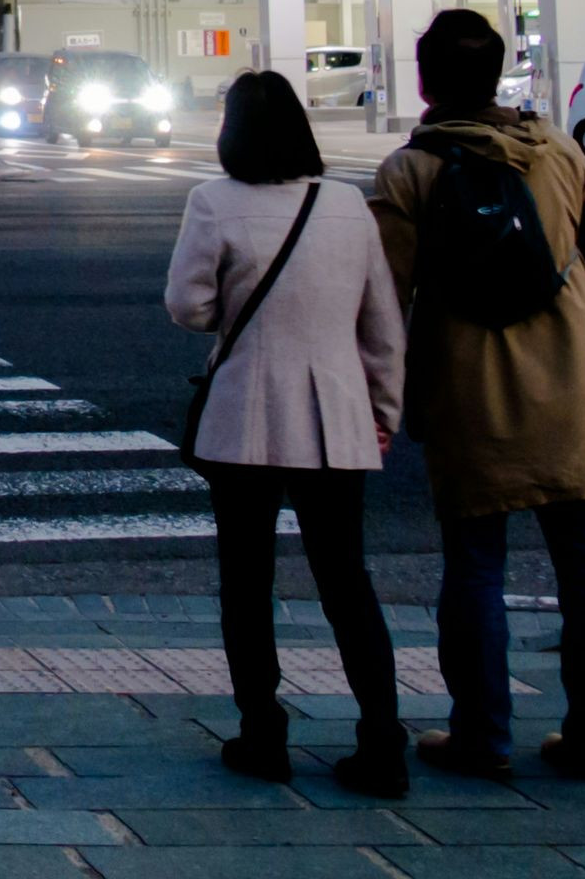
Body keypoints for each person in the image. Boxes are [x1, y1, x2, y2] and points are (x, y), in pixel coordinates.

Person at [368, 8, 585, 784]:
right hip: (578, 380)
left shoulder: (410, 171)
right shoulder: (557, 151)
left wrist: (381, 400)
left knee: (475, 564)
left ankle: (482, 735)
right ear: (498, 76)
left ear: (425, 82)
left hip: (473, 388)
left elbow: (384, 300)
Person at [166, 68, 409, 796]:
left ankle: (263, 731)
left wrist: (234, 315)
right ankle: (382, 740)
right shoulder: (346, 205)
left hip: (245, 413)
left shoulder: (213, 202)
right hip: (335, 416)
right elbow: (382, 324)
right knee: (346, 581)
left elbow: (187, 305)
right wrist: (384, 414)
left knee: (246, 581)